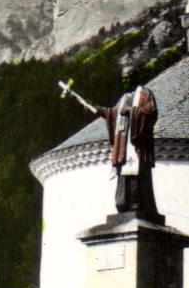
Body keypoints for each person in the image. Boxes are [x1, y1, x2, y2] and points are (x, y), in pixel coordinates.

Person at [62, 82, 159, 217]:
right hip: (124, 147)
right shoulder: (125, 98)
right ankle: (124, 206)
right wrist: (80, 100)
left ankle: (137, 206)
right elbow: (111, 114)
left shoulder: (145, 94)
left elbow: (151, 113)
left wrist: (131, 111)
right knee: (123, 177)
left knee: (137, 179)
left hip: (137, 147)